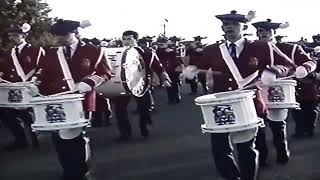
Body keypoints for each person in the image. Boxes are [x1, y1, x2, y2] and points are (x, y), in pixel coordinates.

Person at [188, 10, 295, 180]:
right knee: (219, 150)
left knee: (246, 149)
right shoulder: (212, 50)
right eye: (225, 24)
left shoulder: (261, 47)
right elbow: (200, 67)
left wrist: (273, 71)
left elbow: (289, 66)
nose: (228, 27)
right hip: (220, 103)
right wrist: (192, 71)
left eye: (233, 24)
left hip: (248, 103)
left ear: (244, 27)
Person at [33, 19, 111, 180]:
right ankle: (68, 169)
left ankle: (82, 170)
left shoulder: (92, 51)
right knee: (59, 138)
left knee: (76, 136)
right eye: (56, 35)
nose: (59, 38)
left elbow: (105, 73)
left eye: (63, 34)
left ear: (76, 32)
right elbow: (42, 73)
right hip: (56, 101)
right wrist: (35, 84)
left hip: (81, 100)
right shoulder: (52, 53)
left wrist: (88, 83)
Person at [251, 19, 317, 166]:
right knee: (259, 127)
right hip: (257, 91)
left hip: (279, 90)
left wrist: (304, 69)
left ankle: (282, 152)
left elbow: (310, 62)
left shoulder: (289, 48)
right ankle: (262, 158)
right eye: (260, 31)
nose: (262, 34)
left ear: (274, 32)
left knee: (278, 125)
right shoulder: (251, 49)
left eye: (266, 31)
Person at [112, 30, 171, 141]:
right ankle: (125, 133)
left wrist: (164, 78)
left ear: (136, 40)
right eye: (124, 39)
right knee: (119, 109)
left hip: (141, 83)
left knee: (144, 108)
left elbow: (158, 67)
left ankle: (145, 128)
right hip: (123, 84)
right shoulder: (118, 52)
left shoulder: (147, 52)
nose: (126, 41)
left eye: (129, 39)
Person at [0, 23, 43, 151]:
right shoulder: (10, 53)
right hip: (13, 88)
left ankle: (34, 137)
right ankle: (20, 140)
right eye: (11, 35)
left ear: (24, 35)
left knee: (28, 114)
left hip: (29, 86)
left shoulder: (35, 50)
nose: (12, 38)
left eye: (15, 35)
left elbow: (41, 67)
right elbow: (6, 70)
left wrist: (33, 81)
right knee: (7, 114)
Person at [156, 36, 184, 104]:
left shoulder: (171, 51)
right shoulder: (158, 51)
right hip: (165, 70)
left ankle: (176, 97)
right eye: (159, 45)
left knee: (174, 84)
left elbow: (178, 60)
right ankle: (171, 98)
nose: (160, 46)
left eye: (162, 44)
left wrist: (179, 68)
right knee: (168, 85)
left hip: (173, 70)